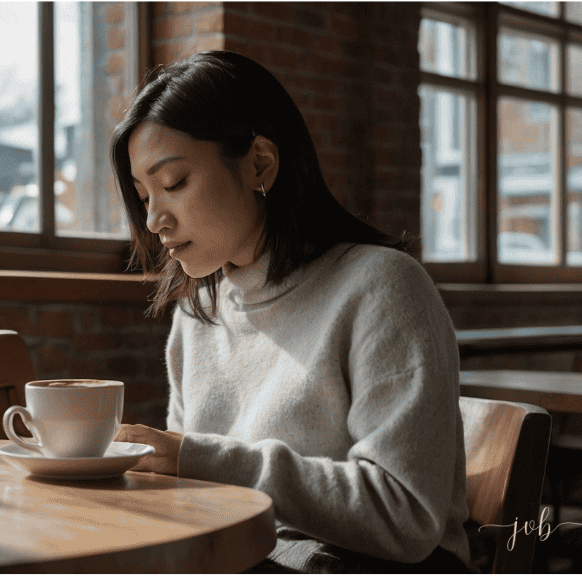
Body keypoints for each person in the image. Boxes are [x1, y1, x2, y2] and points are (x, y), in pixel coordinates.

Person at [110, 50, 471, 573]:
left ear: (259, 163)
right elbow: (193, 499)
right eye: (144, 197)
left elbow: (406, 516)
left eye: (174, 184)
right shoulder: (199, 313)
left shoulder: (381, 287)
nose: (155, 220)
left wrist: (197, 459)